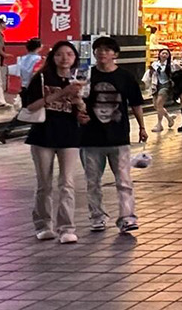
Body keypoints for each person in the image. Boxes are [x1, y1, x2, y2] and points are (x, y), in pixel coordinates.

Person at [79, 37, 146, 234]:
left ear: (115, 54)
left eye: (107, 50)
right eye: (98, 49)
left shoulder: (125, 77)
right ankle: (97, 217)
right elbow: (77, 100)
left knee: (124, 180)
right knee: (92, 181)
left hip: (119, 137)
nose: (102, 53)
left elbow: (136, 104)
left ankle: (127, 217)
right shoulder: (86, 76)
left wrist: (142, 127)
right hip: (90, 138)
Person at [20, 40, 84, 241]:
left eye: (69, 54)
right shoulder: (41, 78)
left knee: (67, 182)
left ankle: (67, 228)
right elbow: (31, 106)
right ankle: (43, 225)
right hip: (43, 134)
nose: (64, 58)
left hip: (69, 135)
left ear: (75, 58)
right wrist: (62, 93)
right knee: (44, 184)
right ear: (52, 57)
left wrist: (79, 102)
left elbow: (83, 112)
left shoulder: (79, 81)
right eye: (59, 54)